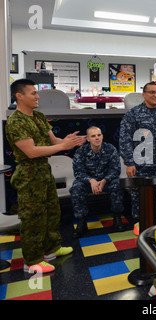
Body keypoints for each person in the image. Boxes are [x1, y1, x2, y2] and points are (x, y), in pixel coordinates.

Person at [5, 78, 86, 273]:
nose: (37, 96)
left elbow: (53, 141)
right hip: (28, 174)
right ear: (19, 96)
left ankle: (52, 249)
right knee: (33, 217)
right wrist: (62, 147)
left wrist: (65, 141)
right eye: (33, 93)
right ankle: (32, 262)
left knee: (51, 211)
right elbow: (31, 152)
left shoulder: (39, 116)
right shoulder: (15, 121)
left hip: (44, 171)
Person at [119, 81, 156, 221]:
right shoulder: (133, 114)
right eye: (152, 92)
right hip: (140, 165)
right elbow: (125, 139)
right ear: (144, 94)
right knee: (139, 198)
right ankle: (140, 228)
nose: (155, 95)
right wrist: (129, 162)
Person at [69, 126, 125, 238]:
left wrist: (104, 181)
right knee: (76, 188)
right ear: (88, 139)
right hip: (88, 183)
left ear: (102, 136)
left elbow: (115, 170)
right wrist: (91, 180)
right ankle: (81, 222)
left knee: (117, 184)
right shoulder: (81, 151)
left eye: (99, 135)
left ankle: (117, 217)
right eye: (93, 136)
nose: (97, 138)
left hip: (106, 181)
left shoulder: (110, 149)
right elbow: (78, 172)